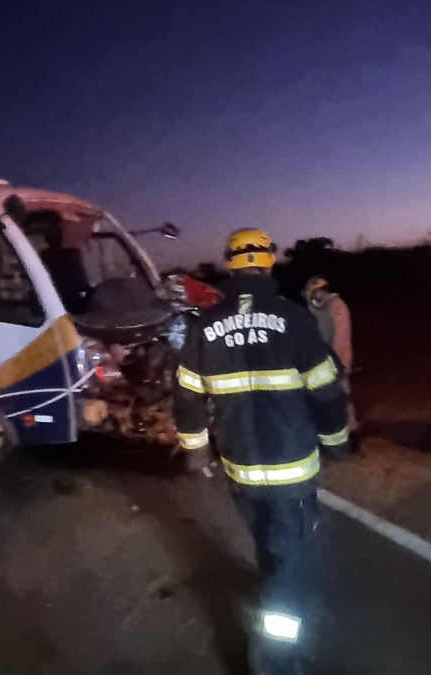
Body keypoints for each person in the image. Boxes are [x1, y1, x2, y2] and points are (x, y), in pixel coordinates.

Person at [174, 228, 350, 675]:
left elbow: (187, 396)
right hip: (290, 474)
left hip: (241, 472)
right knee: (291, 575)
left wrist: (197, 454)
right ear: (269, 262)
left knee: (271, 550)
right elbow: (327, 391)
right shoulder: (293, 319)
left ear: (230, 266)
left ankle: (275, 608)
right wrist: (336, 444)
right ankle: (273, 664)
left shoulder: (204, 326)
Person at [303, 276, 358, 432]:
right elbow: (316, 318)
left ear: (320, 291)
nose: (312, 297)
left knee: (343, 396)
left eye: (313, 293)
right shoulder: (324, 307)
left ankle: (351, 429)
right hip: (329, 360)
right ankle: (345, 428)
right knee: (336, 397)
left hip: (338, 360)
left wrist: (338, 362)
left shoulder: (336, 306)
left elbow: (341, 337)